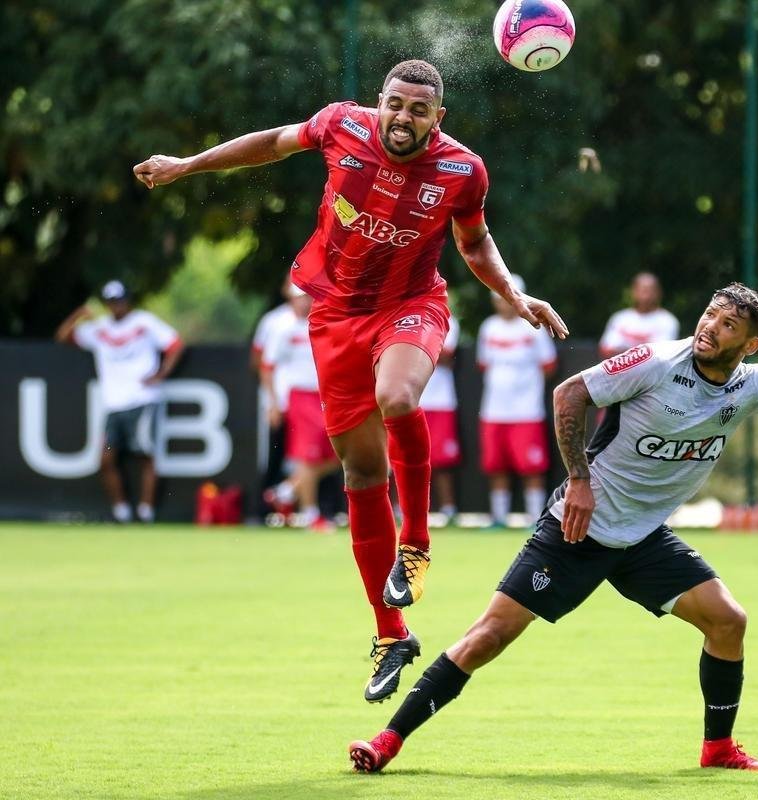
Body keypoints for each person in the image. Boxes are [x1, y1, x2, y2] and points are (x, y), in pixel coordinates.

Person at [133, 59, 569, 703]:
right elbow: (270, 145)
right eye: (396, 104)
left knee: (398, 396)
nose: (404, 118)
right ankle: (391, 634)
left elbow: (474, 244)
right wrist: (187, 165)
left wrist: (513, 293)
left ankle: (415, 544)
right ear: (381, 103)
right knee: (362, 474)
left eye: (420, 110)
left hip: (412, 304)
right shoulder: (340, 125)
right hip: (334, 314)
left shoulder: (462, 170)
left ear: (437, 119)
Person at [348, 283, 758, 773]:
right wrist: (579, 481)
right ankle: (388, 740)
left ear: (750, 344)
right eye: (710, 314)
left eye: (728, 324)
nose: (711, 326)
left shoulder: (752, 384)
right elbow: (569, 393)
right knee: (487, 638)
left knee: (728, 622)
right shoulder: (657, 362)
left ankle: (718, 748)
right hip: (576, 529)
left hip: (641, 540)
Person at [54, 280, 184, 523]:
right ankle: (121, 512)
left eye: (120, 300)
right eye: (112, 302)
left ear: (128, 300)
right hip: (113, 405)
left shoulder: (144, 322)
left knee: (146, 454)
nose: (117, 306)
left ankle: (146, 512)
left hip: (142, 401)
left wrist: (162, 373)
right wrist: (78, 315)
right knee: (106, 458)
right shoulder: (99, 328)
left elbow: (175, 344)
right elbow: (62, 337)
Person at [476, 275, 558, 527]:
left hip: (527, 411)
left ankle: (536, 518)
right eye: (498, 298)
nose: (503, 302)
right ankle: (498, 518)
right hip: (493, 411)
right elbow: (483, 364)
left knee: (531, 467)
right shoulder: (488, 328)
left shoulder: (533, 326)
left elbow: (548, 365)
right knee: (495, 465)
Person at [259, 283, 341, 531]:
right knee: (308, 456)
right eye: (298, 298)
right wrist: (273, 403)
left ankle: (285, 491)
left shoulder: (322, 323)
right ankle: (310, 514)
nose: (303, 303)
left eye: (306, 298)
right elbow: (267, 367)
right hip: (299, 398)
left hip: (323, 397)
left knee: (338, 455)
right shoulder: (282, 329)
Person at [251, 276, 297, 521]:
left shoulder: (321, 314)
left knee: (318, 455)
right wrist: (272, 400)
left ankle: (319, 507)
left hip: (311, 400)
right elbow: (259, 361)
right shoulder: (274, 321)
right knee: (275, 455)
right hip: (280, 400)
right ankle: (264, 510)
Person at [418, 313, 462, 523]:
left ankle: (448, 508)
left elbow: (445, 355)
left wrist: (411, 346)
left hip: (441, 401)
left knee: (442, 460)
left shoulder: (447, 319)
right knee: (402, 457)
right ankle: (404, 510)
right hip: (411, 399)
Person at [599, 272, 680, 358]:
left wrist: (624, 353)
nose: (646, 296)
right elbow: (606, 349)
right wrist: (641, 353)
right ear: (633, 292)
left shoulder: (667, 321)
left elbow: (662, 355)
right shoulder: (619, 319)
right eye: (642, 290)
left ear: (659, 293)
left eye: (650, 291)